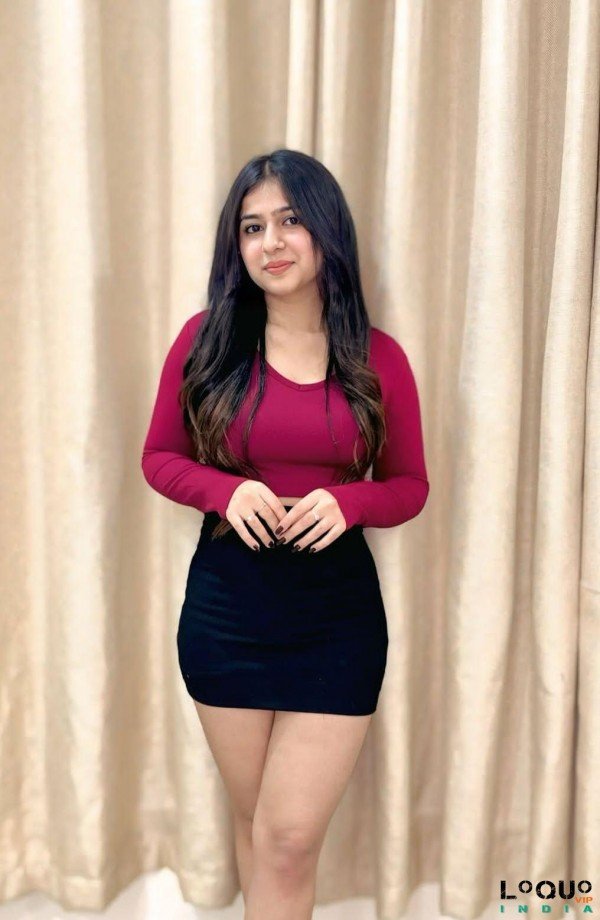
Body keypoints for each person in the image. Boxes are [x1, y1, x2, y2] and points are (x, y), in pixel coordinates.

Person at [141, 148, 429, 920]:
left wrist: (351, 503)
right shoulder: (206, 342)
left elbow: (410, 486)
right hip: (227, 614)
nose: (271, 241)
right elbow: (159, 457)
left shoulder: (378, 358)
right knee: (257, 825)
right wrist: (224, 489)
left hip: (336, 621)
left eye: (291, 221)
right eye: (252, 227)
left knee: (288, 839)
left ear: (327, 230)